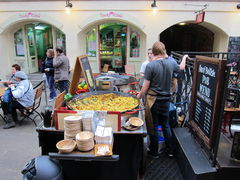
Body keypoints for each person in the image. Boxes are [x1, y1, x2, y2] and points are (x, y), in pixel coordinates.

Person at [137, 41, 188, 158]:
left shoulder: (151, 65)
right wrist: (184, 57)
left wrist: (138, 97)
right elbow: (182, 67)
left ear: (154, 52)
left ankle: (154, 152)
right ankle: (170, 151)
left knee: (153, 125)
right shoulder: (171, 61)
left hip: (153, 100)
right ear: (163, 50)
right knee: (165, 124)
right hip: (166, 100)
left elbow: (145, 87)